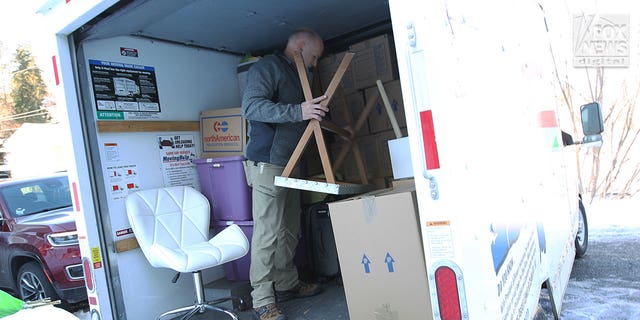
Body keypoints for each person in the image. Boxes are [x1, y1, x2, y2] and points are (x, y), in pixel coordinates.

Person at [241, 28, 327, 320]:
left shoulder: (299, 75)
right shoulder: (268, 68)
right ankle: (263, 299)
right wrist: (298, 111)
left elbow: (304, 114)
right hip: (267, 164)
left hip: (291, 164)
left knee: (289, 228)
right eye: (314, 56)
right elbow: (251, 107)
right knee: (267, 233)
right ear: (300, 46)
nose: (315, 64)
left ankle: (287, 284)